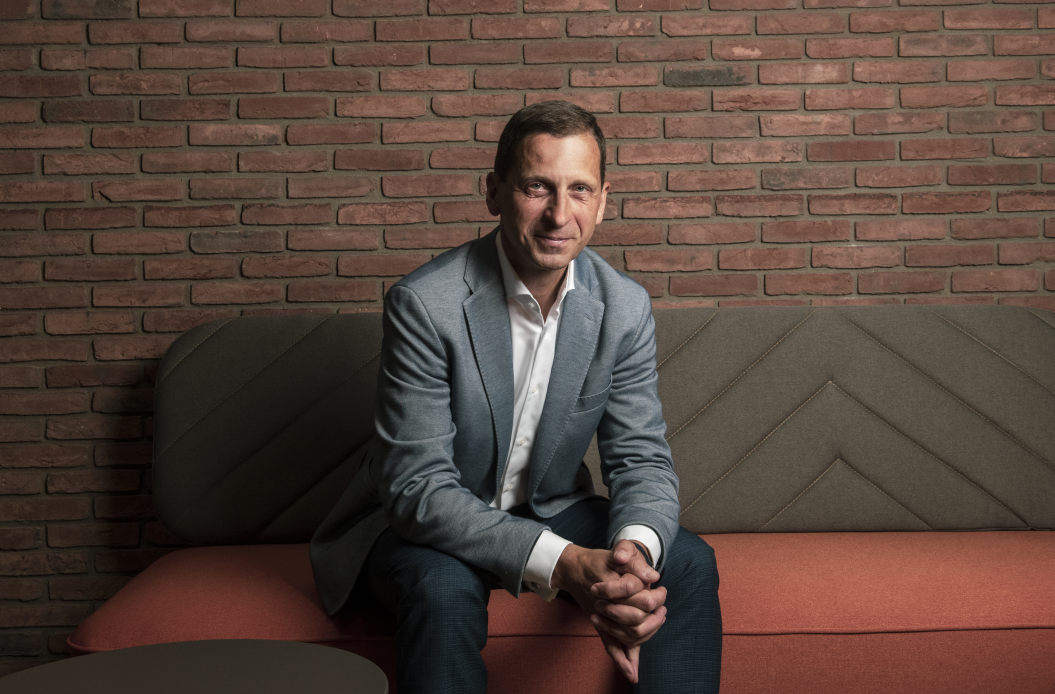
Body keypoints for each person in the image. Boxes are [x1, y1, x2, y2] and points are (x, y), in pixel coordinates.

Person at [310, 100, 721, 694]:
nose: (559, 214)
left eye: (579, 190)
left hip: (548, 504)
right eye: (537, 187)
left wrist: (630, 558)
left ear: (603, 201)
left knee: (685, 561)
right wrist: (565, 563)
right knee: (442, 589)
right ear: (494, 192)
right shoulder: (425, 305)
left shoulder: (624, 308)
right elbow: (418, 487)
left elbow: (641, 460)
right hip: (416, 522)